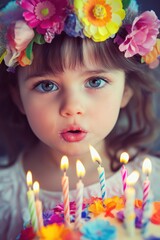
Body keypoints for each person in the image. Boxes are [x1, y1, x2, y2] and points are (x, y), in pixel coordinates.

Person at [0, 0, 160, 239]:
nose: (72, 107)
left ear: (126, 90)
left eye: (95, 81)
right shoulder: (5, 198)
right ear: (19, 98)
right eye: (46, 85)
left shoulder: (153, 183)